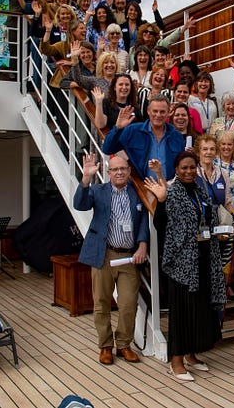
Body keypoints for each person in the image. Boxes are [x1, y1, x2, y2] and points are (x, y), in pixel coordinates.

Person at [145, 152, 226, 381]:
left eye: (192, 167)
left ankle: (191, 354)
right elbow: (160, 224)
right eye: (184, 168)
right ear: (176, 170)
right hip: (181, 262)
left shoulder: (200, 191)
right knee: (181, 313)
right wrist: (160, 202)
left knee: (198, 309)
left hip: (202, 257)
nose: (189, 172)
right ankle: (176, 360)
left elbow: (207, 219)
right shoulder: (170, 192)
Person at [73, 153, 149, 365]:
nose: (119, 172)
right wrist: (86, 179)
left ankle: (124, 344)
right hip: (103, 254)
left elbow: (143, 220)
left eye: (122, 169)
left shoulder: (137, 193)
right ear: (108, 172)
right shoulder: (98, 191)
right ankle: (105, 346)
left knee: (128, 304)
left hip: (128, 257)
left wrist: (143, 244)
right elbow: (79, 204)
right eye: (115, 169)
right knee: (102, 303)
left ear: (129, 171)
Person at [102, 94, 184, 181]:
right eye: (155, 111)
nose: (158, 115)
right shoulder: (133, 131)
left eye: (162, 112)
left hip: (168, 188)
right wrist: (118, 128)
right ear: (148, 111)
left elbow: (181, 164)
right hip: (141, 189)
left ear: (168, 112)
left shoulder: (177, 136)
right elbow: (107, 149)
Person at [213, 130, 234, 210]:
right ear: (219, 146)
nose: (226, 147)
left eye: (229, 144)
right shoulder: (213, 163)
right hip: (217, 204)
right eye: (223, 144)